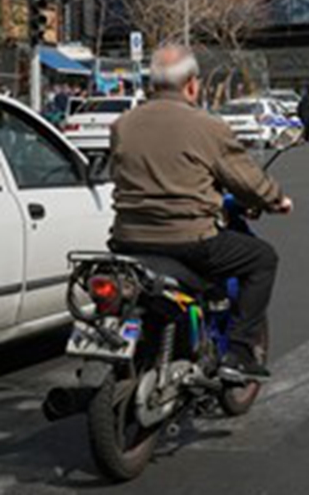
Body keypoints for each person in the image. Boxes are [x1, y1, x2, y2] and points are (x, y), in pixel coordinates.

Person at [107, 44, 292, 380]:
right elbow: (246, 180)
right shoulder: (206, 126)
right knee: (263, 258)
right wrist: (276, 199)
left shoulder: (122, 124)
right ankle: (238, 351)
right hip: (189, 241)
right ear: (192, 84)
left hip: (127, 239)